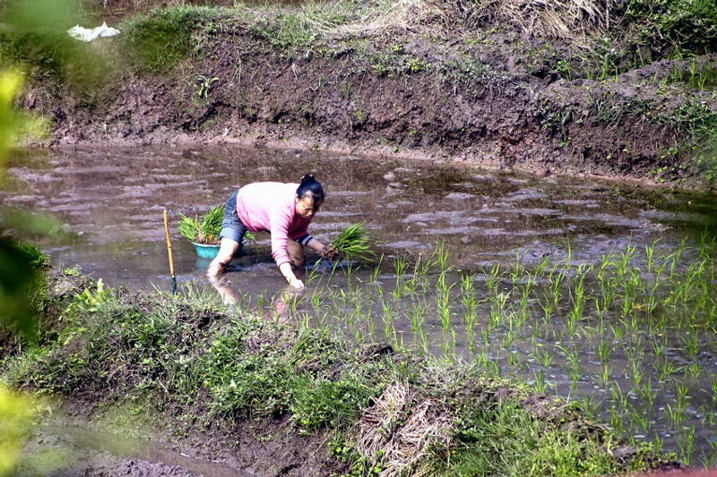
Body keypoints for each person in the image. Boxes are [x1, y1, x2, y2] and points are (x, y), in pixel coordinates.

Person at [207, 174, 338, 292]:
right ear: (297, 199)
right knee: (226, 256)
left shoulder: (309, 199)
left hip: (266, 211)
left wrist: (323, 249)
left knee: (298, 257)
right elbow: (278, 250)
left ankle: (297, 287)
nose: (310, 214)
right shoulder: (282, 210)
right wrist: (292, 281)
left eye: (315, 210)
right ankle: (211, 284)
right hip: (240, 208)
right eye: (307, 209)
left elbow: (298, 232)